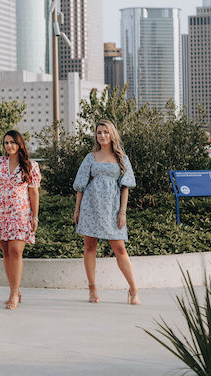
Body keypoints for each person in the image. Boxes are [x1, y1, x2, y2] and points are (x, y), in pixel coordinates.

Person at [73, 119, 139, 305]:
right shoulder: (90, 157)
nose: (102, 135)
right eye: (99, 132)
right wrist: (77, 210)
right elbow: (80, 186)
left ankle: (133, 288)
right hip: (90, 206)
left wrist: (122, 212)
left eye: (105, 132)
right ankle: (92, 287)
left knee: (119, 248)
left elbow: (125, 186)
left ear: (112, 135)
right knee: (89, 247)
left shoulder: (121, 158)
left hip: (112, 208)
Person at [0, 130, 41, 310]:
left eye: (12, 142)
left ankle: (14, 293)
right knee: (6, 252)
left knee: (16, 250)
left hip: (21, 212)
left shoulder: (30, 165)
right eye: (6, 143)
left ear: (20, 143)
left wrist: (35, 216)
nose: (9, 146)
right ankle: (14, 288)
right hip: (1, 211)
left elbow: (33, 191)